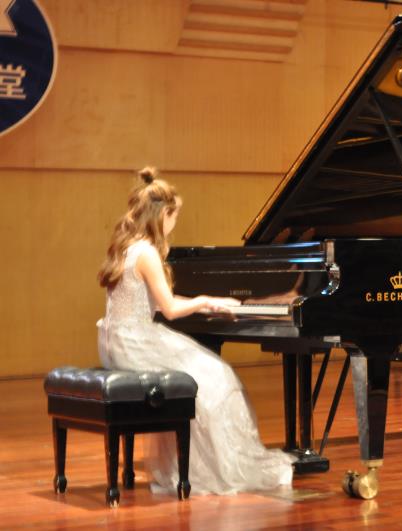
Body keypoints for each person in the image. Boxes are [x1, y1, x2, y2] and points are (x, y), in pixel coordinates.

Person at [96, 166, 294, 495]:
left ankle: (183, 463)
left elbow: (159, 303)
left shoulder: (129, 247)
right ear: (163, 214)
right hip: (136, 345)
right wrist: (204, 300)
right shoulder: (147, 253)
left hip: (116, 344)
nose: (174, 223)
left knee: (207, 375)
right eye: (174, 216)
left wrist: (209, 303)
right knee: (218, 378)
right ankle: (213, 469)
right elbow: (170, 310)